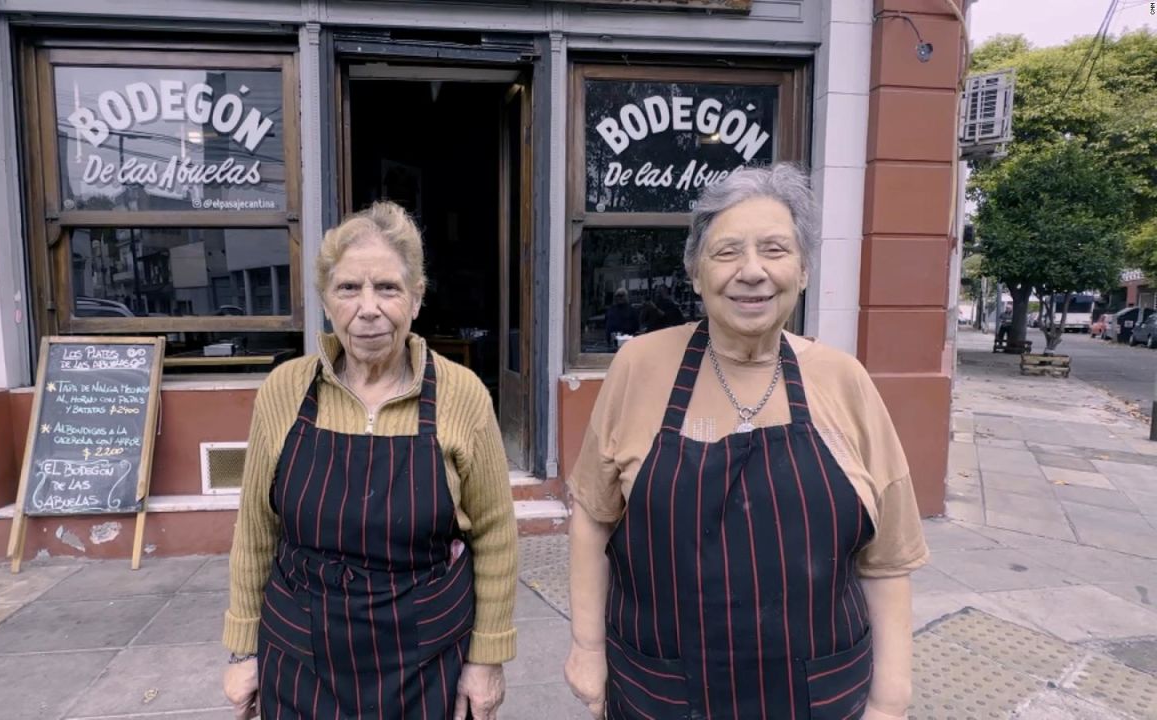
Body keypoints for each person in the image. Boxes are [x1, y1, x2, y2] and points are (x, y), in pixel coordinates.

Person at [563, 164, 928, 720]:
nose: (752, 272)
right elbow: (592, 516)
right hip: (664, 692)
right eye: (727, 251)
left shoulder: (844, 380)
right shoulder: (639, 366)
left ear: (803, 270)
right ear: (695, 272)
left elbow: (887, 559)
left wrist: (890, 700)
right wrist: (587, 648)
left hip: (816, 697)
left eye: (775, 250)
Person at [222, 201, 518, 720]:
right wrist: (244, 650)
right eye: (348, 288)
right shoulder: (284, 390)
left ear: (416, 298)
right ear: (326, 299)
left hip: (424, 661)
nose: (368, 308)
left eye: (387, 288)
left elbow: (494, 536)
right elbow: (255, 532)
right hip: (300, 658)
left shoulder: (462, 394)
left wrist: (486, 658)